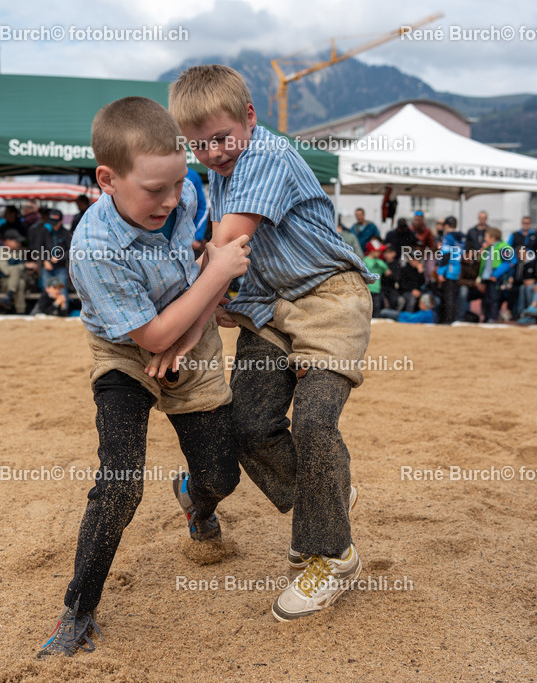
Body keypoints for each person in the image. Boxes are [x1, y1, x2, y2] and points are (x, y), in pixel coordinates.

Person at [38, 97, 247, 658]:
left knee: (222, 477)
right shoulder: (94, 248)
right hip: (125, 353)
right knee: (122, 480)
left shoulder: (186, 190)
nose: (174, 198)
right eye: (155, 189)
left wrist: (206, 273)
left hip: (192, 334)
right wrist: (218, 271)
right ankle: (77, 614)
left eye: (179, 182)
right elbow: (150, 339)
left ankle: (194, 500)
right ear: (107, 179)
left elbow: (204, 252)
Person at [172, 65, 373, 621]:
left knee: (313, 423)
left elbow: (226, 242)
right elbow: (214, 247)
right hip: (270, 307)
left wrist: (185, 320)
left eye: (221, 138)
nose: (212, 153)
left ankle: (331, 555)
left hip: (331, 301)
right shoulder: (220, 172)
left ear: (250, 118)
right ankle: (327, 494)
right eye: (199, 145)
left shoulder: (265, 156)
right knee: (244, 424)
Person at [477, 227, 516, 322]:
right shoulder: (488, 248)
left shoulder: (503, 247)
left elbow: (509, 262)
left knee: (494, 299)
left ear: (493, 237)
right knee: (486, 299)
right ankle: (487, 318)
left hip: (495, 277)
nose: (485, 239)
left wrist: (496, 274)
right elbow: (482, 263)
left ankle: (493, 318)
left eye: (486, 236)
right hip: (486, 277)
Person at [33, 209, 72, 295]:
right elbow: (38, 247)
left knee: (62, 292)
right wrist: (45, 260)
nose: (53, 226)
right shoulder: (44, 231)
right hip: (47, 267)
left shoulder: (66, 233)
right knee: (47, 292)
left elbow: (71, 251)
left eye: (56, 223)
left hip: (60, 267)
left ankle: (63, 308)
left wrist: (59, 257)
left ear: (61, 222)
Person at [436, 216, 464, 324]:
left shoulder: (448, 237)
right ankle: (451, 319)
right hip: (457, 269)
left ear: (446, 226)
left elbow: (446, 255)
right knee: (453, 296)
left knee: (448, 297)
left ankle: (448, 320)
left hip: (448, 270)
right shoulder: (461, 237)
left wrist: (440, 272)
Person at [0, 229, 28, 314]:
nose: (19, 244)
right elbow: (6, 271)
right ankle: (21, 312)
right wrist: (23, 266)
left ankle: (9, 297)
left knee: (21, 279)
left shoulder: (21, 251)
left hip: (23, 278)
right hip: (5, 281)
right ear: (7, 241)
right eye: (16, 241)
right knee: (20, 283)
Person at [362, 242, 388, 316]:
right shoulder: (365, 260)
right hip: (367, 289)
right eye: (378, 251)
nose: (380, 253)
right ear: (372, 251)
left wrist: (378, 262)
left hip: (377, 289)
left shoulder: (380, 261)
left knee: (376, 309)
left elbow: (387, 271)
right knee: (367, 309)